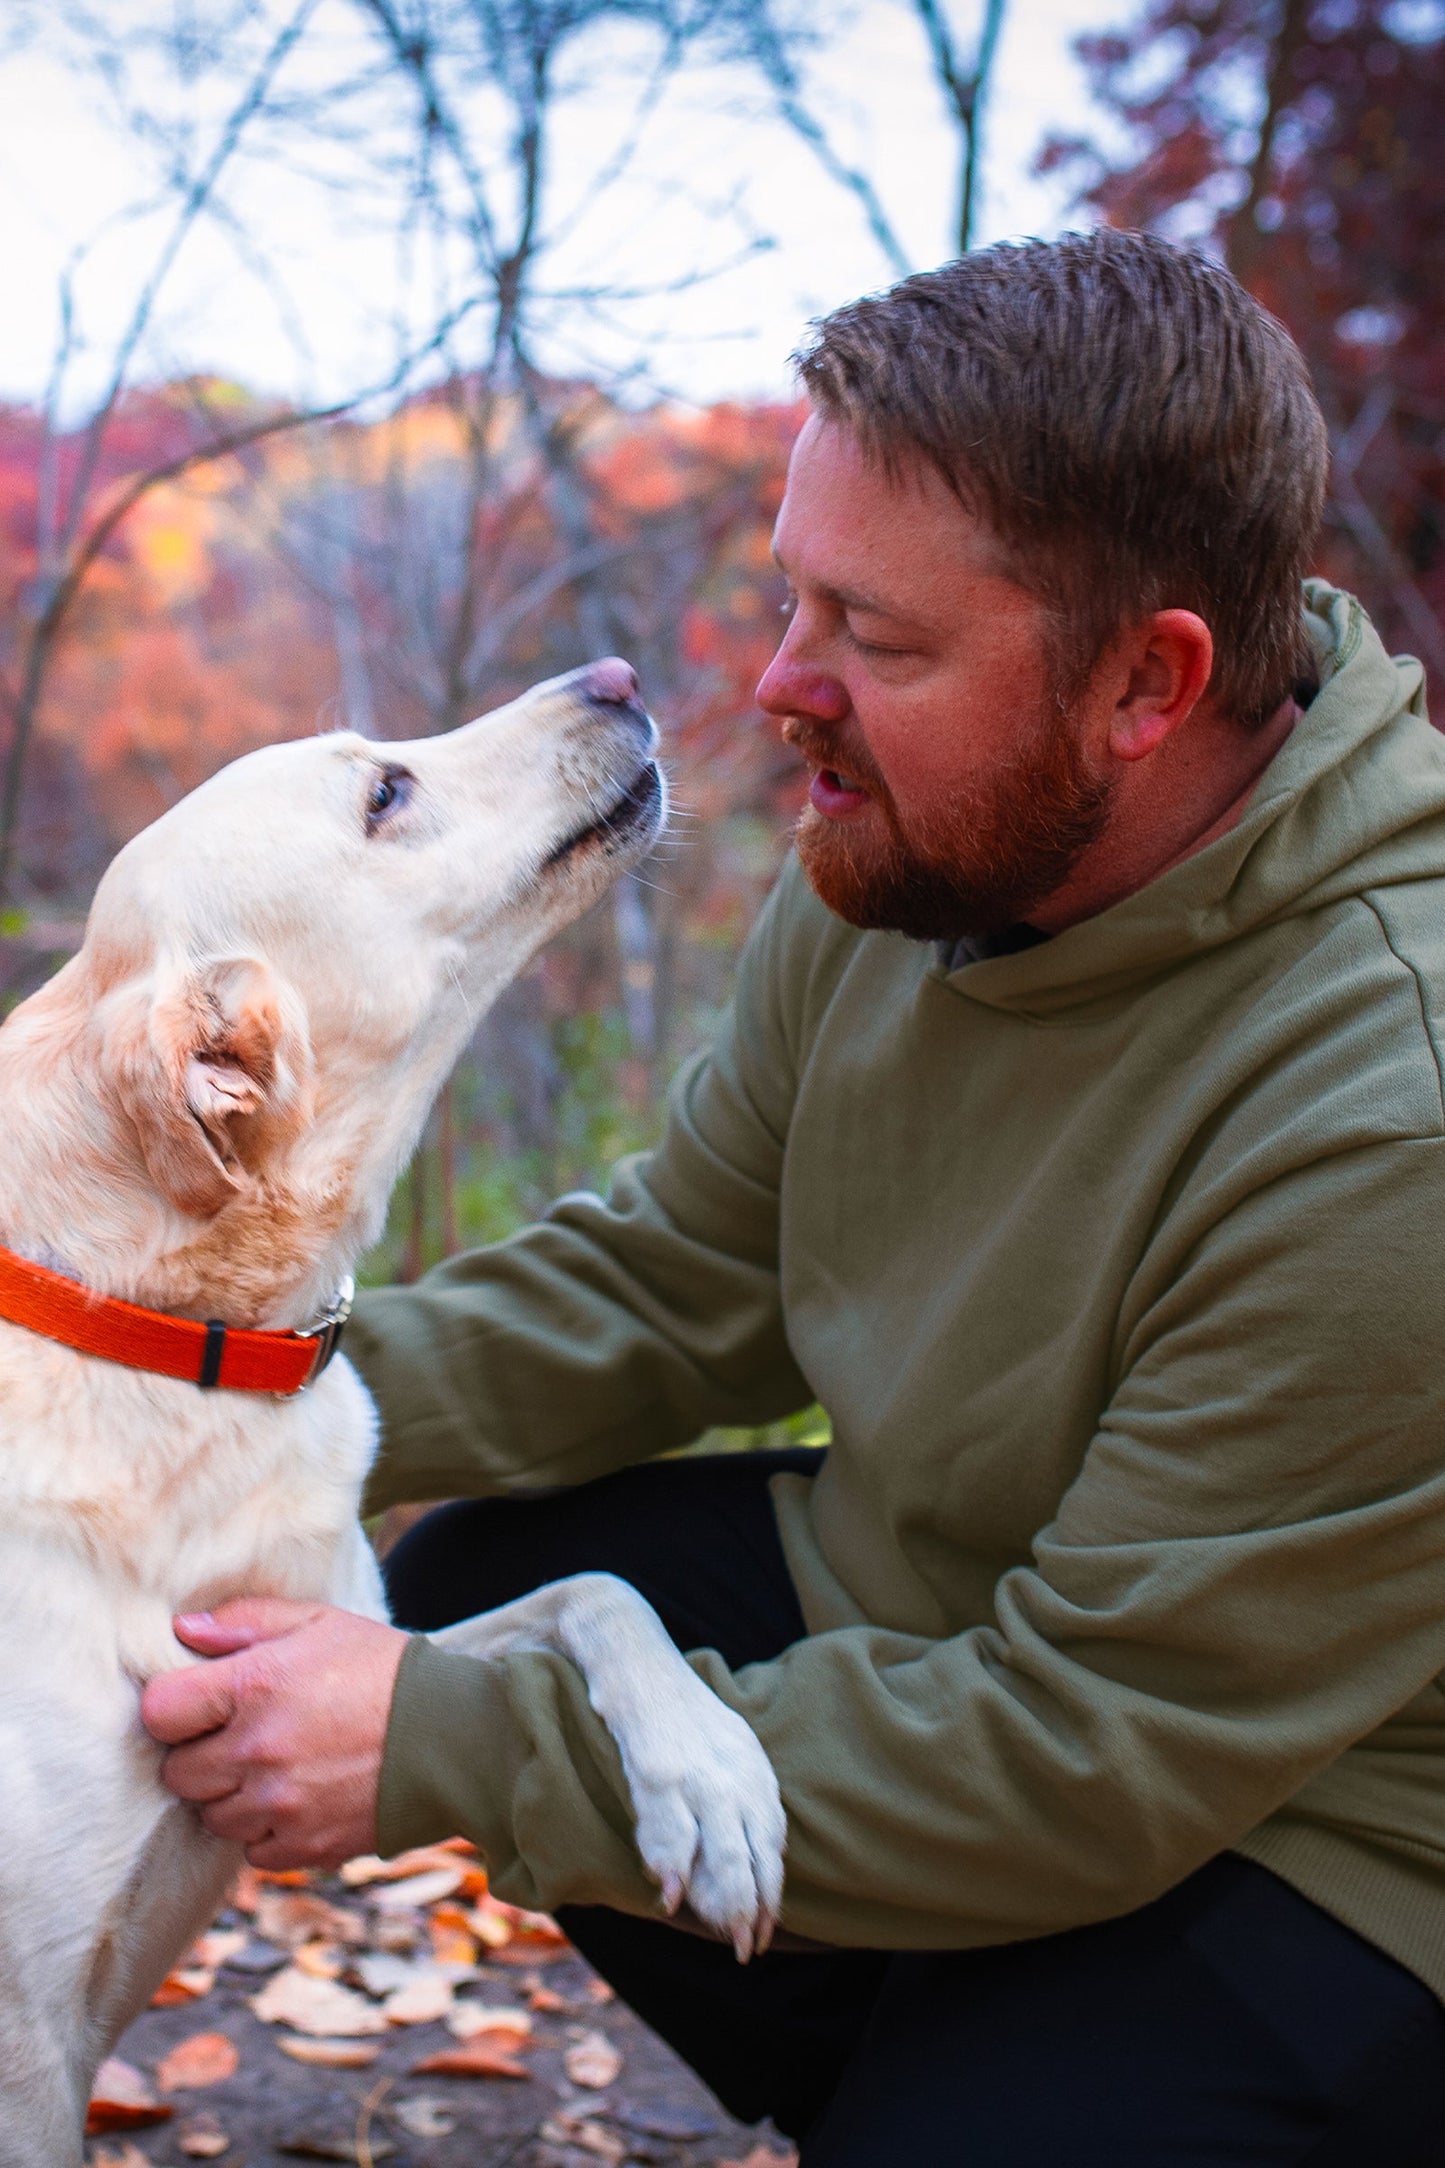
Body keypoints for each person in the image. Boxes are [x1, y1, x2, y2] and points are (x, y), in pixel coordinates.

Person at [143, 231, 1445, 2164]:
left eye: (879, 638)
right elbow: (676, 1283)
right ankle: (939, 2067)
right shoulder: (919, 842)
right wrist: (176, 1376)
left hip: (1299, 1834)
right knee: (485, 1581)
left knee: (488, 1698)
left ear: (1145, 685)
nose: (776, 688)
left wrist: (439, 1743)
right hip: (945, 1625)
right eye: (789, 600)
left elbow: (1094, 1749)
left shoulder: (1383, 1115)